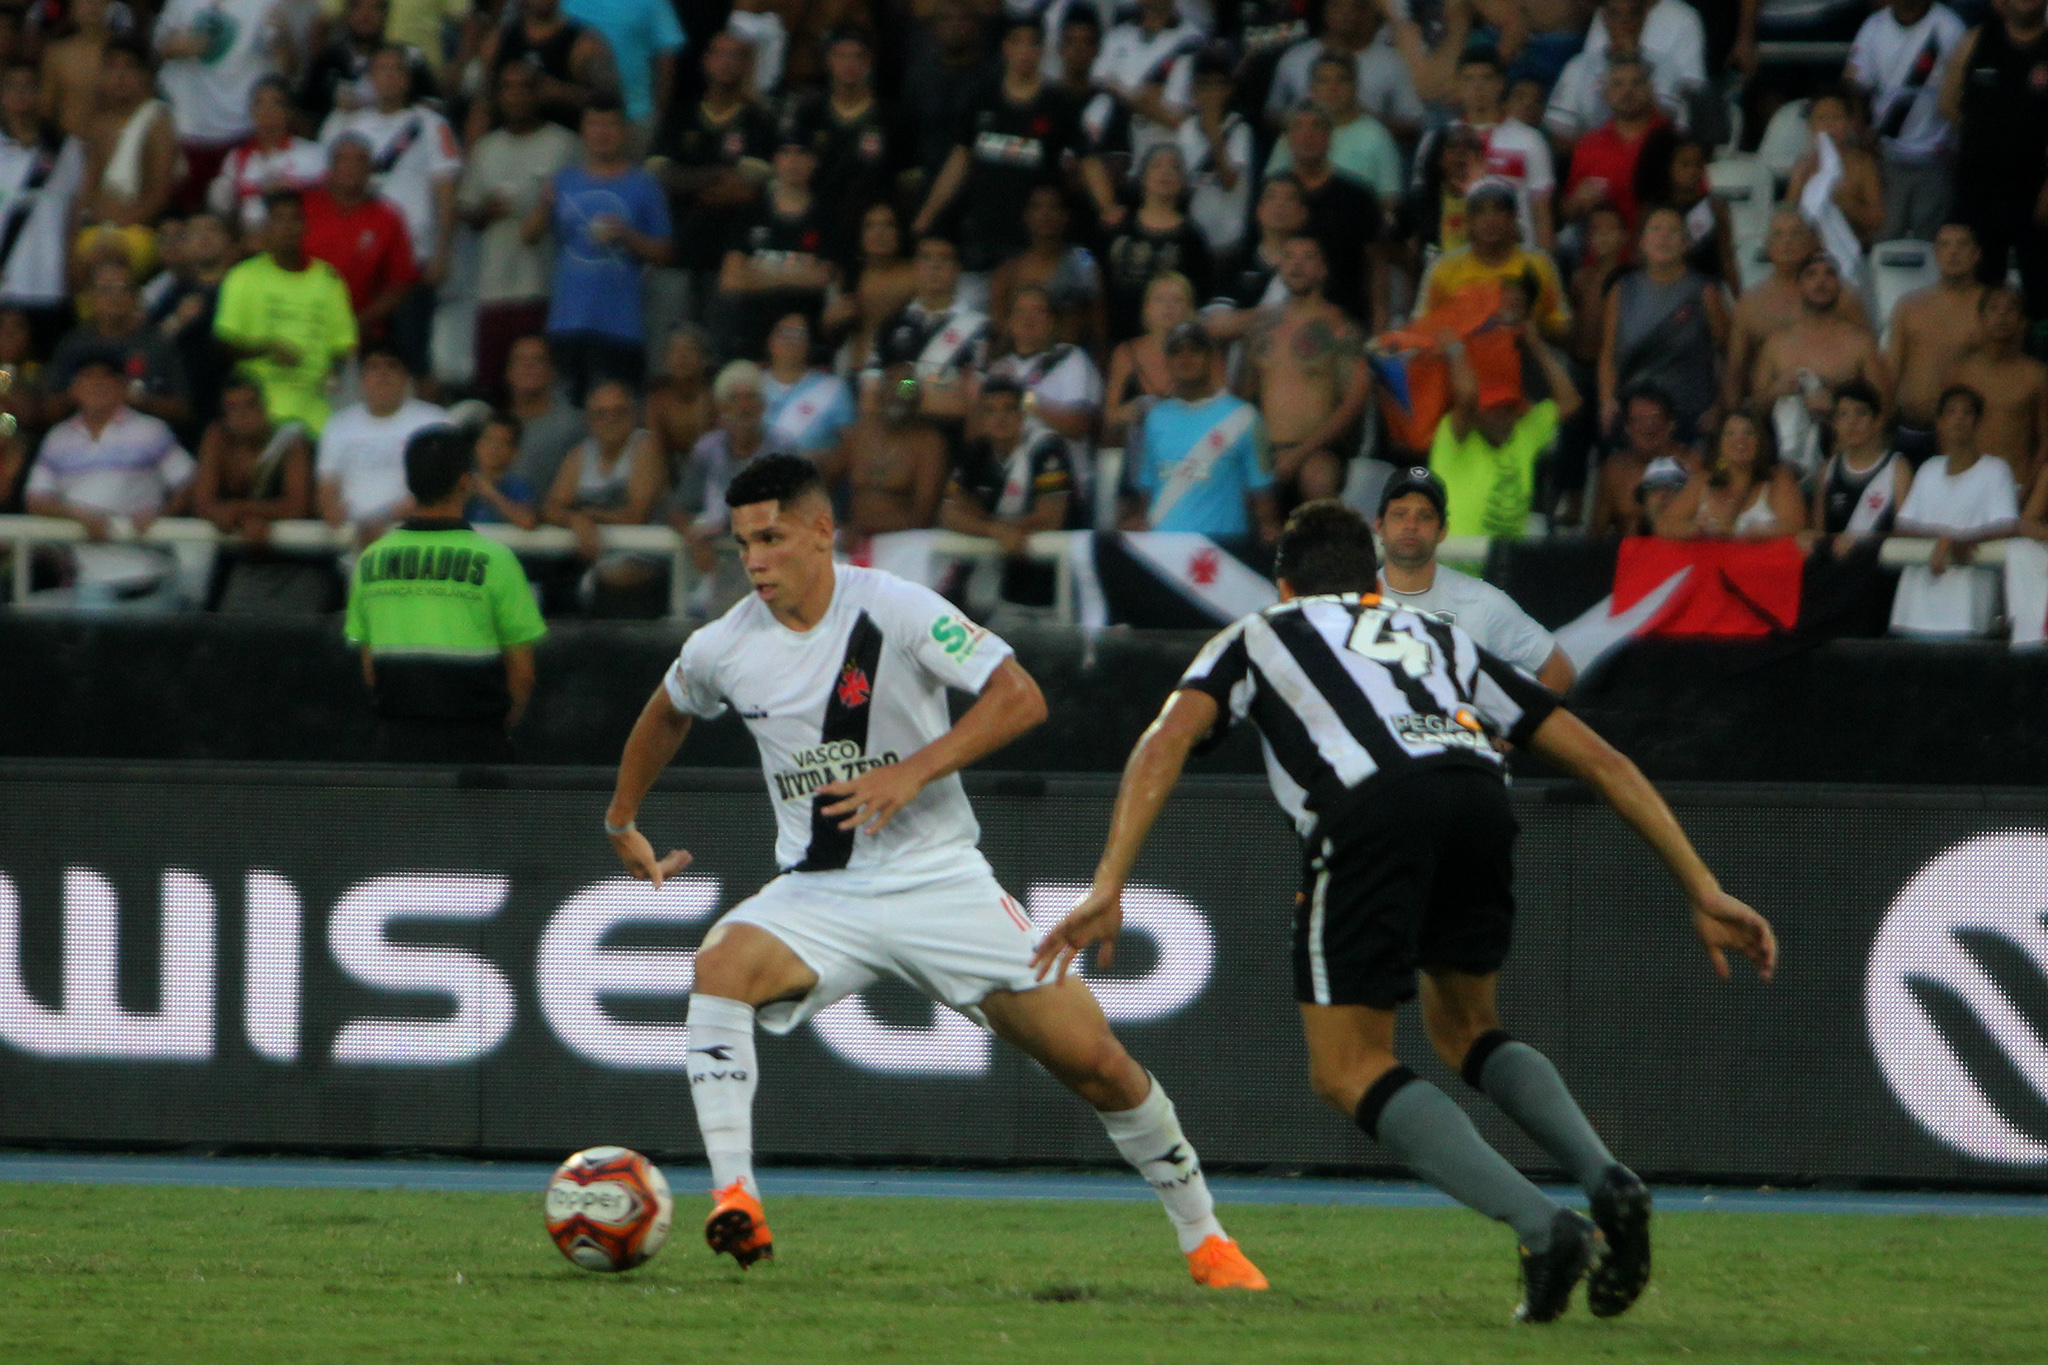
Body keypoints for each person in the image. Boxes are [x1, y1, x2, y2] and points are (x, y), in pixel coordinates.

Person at [1039, 497, 1776, 1321]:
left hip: (1370, 808)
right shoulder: (1438, 635)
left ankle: (1545, 1229)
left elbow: (1166, 738)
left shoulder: (1259, 633)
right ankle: (1609, 1179)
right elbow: (1603, 761)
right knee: (1466, 1028)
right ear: (1374, 582)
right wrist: (1701, 884)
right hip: (1479, 798)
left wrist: (1108, 881)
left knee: (1347, 1067)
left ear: (1284, 586)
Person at [601, 451, 1269, 1288]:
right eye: (742, 544)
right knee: (720, 965)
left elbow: (1021, 695)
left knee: (1097, 1062)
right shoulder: (723, 644)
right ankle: (736, 1196)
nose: (756, 561)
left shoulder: (896, 607)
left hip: (938, 879)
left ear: (821, 530)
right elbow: (668, 710)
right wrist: (621, 818)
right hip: (819, 891)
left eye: (771, 538)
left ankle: (1207, 1238)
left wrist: (912, 771)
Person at [345, 425, 546, 764]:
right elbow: (523, 674)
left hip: (395, 747)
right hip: (477, 748)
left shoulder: (370, 561)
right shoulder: (497, 560)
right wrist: (497, 731)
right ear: (466, 482)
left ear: (410, 482)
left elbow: (370, 670)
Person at [915, 19, 1116, 279]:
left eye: (1032, 44)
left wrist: (1107, 207)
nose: (1025, 52)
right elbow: (960, 159)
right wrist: (929, 212)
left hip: (1033, 240)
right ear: (1005, 48)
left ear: (1042, 51)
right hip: (984, 233)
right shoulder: (982, 97)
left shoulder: (1058, 104)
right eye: (1018, 43)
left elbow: (1087, 160)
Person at [320, 44, 463, 372]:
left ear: (408, 79)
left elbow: (445, 189)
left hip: (414, 257)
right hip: (357, 259)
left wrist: (443, 252)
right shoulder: (346, 125)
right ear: (370, 78)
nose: (388, 77)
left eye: (396, 70)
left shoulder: (431, 124)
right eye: (381, 70)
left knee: (410, 354)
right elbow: (327, 188)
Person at [1374, 465, 1574, 690]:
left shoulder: (1479, 601)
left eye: (1425, 516)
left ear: (1443, 530)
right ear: (1379, 525)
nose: (1411, 525)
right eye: (1400, 514)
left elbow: (1558, 670)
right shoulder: (1353, 597)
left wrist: (1517, 715)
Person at [530, 98, 672, 402]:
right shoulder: (563, 180)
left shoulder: (643, 184)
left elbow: (664, 253)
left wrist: (627, 236)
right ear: (583, 130)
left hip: (621, 326)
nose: (602, 133)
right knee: (567, 409)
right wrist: (544, 203)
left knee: (618, 408)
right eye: (594, 124)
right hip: (567, 322)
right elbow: (529, 236)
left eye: (610, 125)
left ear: (624, 132)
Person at [23, 351, 197, 588]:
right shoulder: (57, 438)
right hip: (84, 581)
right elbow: (36, 499)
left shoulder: (151, 431)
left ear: (123, 387)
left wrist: (162, 514)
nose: (97, 384)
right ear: (74, 389)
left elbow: (190, 483)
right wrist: (83, 517)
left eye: (107, 376)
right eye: (87, 377)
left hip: (150, 575)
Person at [460, 61, 580, 400]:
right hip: (494, 288)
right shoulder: (486, 148)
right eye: (508, 88)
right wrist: (485, 211)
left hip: (543, 288)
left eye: (525, 87)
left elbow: (584, 205)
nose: (516, 96)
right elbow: (468, 210)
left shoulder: (564, 144)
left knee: (541, 388)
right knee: (492, 388)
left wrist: (549, 209)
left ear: (539, 92)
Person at [651, 30, 775, 322]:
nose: (726, 63)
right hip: (678, 254)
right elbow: (657, 178)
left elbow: (747, 189)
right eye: (720, 54)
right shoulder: (680, 115)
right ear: (706, 61)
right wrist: (717, 173)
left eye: (735, 56)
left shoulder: (758, 121)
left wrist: (685, 181)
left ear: (746, 65)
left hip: (731, 261)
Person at [1432, 300, 1582, 539]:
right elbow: (1468, 394)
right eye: (1492, 409)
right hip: (1456, 555)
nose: (1501, 417)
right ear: (1477, 413)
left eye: (1508, 408)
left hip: (1505, 558)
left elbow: (1571, 401)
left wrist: (1536, 345)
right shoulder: (1455, 437)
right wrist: (1455, 349)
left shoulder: (1523, 433)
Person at [1238, 234, 1369, 507]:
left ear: (1323, 269)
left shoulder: (1340, 327)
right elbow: (1244, 397)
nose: (1296, 265)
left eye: (1307, 257)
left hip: (1318, 450)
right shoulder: (1260, 326)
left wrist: (1299, 454)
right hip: (1266, 449)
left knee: (1317, 479)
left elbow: (1354, 402)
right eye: (1289, 257)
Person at [213, 190, 358, 433]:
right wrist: (266, 348)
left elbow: (343, 347)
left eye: (294, 219)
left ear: (305, 227)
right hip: (258, 413)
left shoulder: (328, 280)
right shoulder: (242, 277)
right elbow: (224, 344)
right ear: (266, 228)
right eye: (279, 219)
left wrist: (332, 375)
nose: (287, 227)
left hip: (315, 411)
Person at [1121, 321, 1277, 542]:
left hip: (1220, 552)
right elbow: (1147, 494)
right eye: (1176, 352)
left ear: (1210, 357)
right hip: (1164, 550)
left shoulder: (1245, 417)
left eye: (1194, 350)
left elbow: (1263, 498)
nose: (1185, 358)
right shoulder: (1155, 418)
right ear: (1167, 361)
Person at [1890, 384, 2020, 637]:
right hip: (1915, 609)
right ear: (1939, 422)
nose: (1958, 418)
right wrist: (1944, 539)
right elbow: (1903, 526)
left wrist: (1955, 542)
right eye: (1951, 411)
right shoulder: (1928, 469)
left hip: (1967, 611)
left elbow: (2006, 527)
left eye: (1967, 413)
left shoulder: (1996, 471)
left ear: (1978, 423)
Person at [1943, 0, 2048, 307]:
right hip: (1978, 190)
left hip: (2035, 194)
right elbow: (1948, 103)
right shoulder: (1976, 41)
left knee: (2041, 290)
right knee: (1978, 289)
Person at [1749, 253, 1891, 477]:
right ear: (1799, 286)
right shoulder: (1775, 344)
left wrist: (1836, 406)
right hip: (1783, 465)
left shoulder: (1859, 343)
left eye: (1829, 274)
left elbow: (1883, 407)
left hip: (1844, 459)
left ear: (1840, 286)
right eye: (1811, 275)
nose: (1821, 281)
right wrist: (1777, 391)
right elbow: (1755, 409)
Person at [1599, 205, 1728, 442]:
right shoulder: (1622, 289)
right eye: (1656, 229)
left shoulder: (1704, 291)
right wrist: (1607, 401)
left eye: (1673, 231)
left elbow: (1729, 355)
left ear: (1686, 243)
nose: (1664, 237)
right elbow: (1608, 356)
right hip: (1634, 416)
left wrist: (1718, 408)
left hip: (1689, 416)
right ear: (1642, 242)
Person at [942, 377, 1074, 606]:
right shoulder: (977, 451)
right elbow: (948, 513)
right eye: (990, 411)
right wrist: (995, 530)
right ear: (981, 417)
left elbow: (1050, 519)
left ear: (1023, 414)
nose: (1000, 418)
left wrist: (982, 521)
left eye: (1009, 409)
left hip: (1051, 567)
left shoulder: (1046, 448)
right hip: (999, 561)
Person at [154, 0, 292, 211]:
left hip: (241, 128)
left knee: (236, 211)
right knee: (182, 210)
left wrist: (284, 40)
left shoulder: (265, 4)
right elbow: (156, 47)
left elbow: (287, 66)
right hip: (187, 127)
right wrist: (176, 45)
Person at [1848, 0, 1966, 244]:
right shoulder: (1874, 27)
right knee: (1885, 238)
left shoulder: (1950, 27)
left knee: (1930, 242)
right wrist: (1863, 136)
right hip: (1887, 154)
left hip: (1937, 157)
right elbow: (1855, 88)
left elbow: (1963, 92)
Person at [784, 29, 901, 268]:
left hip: (870, 231)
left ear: (869, 61)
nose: (849, 64)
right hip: (819, 223)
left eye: (858, 56)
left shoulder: (890, 116)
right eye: (841, 56)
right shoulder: (810, 113)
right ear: (828, 60)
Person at [543, 377, 665, 607]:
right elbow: (550, 508)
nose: (610, 420)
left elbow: (636, 516)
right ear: (589, 419)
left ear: (633, 415)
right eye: (601, 413)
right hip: (589, 561)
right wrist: (574, 520)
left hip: (640, 560)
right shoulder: (580, 454)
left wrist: (587, 516)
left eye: (619, 412)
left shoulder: (645, 447)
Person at [1727, 209, 1868, 408]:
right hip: (1770, 409)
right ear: (1767, 245)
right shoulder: (1751, 303)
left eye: (1796, 233)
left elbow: (1867, 361)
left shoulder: (1843, 297)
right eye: (1778, 234)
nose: (1787, 241)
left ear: (1814, 241)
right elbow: (1735, 372)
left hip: (1836, 410)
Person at [317, 343, 450, 543]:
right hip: (350, 538)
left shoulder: (435, 422)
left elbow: (440, 488)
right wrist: (331, 510)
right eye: (374, 367)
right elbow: (327, 483)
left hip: (415, 538)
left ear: (406, 377)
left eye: (392, 366)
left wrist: (383, 518)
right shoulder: (339, 424)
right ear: (362, 380)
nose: (383, 374)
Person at [718, 134, 835, 360]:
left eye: (801, 153)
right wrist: (797, 274)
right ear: (775, 159)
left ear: (814, 161)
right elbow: (730, 280)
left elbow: (823, 278)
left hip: (809, 346)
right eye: (785, 152)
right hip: (752, 342)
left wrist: (760, 272)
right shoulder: (751, 213)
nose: (792, 160)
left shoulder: (828, 218)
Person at [1275, 103, 1383, 328]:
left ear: (1329, 137)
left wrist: (1380, 319)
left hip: (1348, 321)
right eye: (1299, 127)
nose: (1307, 136)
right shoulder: (1273, 194)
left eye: (1316, 127)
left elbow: (1376, 264)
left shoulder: (1357, 196)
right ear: (1287, 138)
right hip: (1284, 321)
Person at [303, 136, 419, 345]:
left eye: (359, 160)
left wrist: (358, 323)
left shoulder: (387, 218)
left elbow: (400, 283)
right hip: (301, 325)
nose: (350, 167)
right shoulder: (303, 208)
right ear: (330, 167)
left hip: (362, 334)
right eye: (342, 160)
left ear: (370, 169)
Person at [1420, 181, 1569, 344]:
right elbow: (1422, 327)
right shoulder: (1443, 268)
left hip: (1527, 350)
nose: (1490, 219)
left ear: (1512, 219)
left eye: (1498, 211)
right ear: (1469, 222)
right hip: (1463, 353)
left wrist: (1528, 325)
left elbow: (1563, 326)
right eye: (1480, 212)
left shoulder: (1539, 264)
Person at [46, 261, 190, 429]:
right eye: (105, 290)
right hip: (83, 436)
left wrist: (138, 400)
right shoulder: (74, 344)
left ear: (136, 296)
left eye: (123, 289)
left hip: (143, 436)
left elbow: (184, 410)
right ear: (90, 296)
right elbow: (48, 409)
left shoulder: (158, 344)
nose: (114, 298)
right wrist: (82, 394)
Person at [865, 235, 989, 429]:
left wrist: (904, 393)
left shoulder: (980, 328)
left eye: (944, 260)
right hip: (897, 435)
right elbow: (870, 400)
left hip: (950, 436)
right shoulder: (889, 325)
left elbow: (972, 403)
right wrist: (935, 390)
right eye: (926, 258)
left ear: (957, 268)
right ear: (915, 266)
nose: (934, 267)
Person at [76, 37, 177, 269]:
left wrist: (123, 227)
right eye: (112, 67)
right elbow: (88, 185)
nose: (120, 77)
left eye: (129, 68)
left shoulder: (157, 120)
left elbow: (160, 193)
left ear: (145, 75)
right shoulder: (98, 124)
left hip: (138, 233)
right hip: (95, 229)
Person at [983, 284, 1104, 479]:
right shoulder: (998, 370)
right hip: (1009, 479)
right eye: (1020, 311)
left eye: (1038, 311)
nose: (1028, 318)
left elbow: (1078, 426)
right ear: (1009, 322)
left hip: (1062, 478)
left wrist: (1026, 400)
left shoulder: (1071, 359)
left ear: (1052, 322)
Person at [0, 61, 87, 331]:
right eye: (12, 87)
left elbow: (76, 215)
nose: (21, 94)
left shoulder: (68, 150)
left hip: (50, 285)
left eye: (30, 86)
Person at [1887, 222, 1983, 463]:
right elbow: (1891, 372)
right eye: (1945, 245)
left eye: (1962, 245)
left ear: (1976, 254)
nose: (1953, 252)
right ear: (1936, 254)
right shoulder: (1909, 307)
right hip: (1911, 429)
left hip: (1965, 433)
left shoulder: (1989, 309)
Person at [1265, 0, 1423, 141]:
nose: (1347, 14)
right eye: (1337, 6)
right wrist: (1308, 122)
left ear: (1371, 12)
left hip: (1367, 154)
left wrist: (1362, 122)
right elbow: (1270, 117)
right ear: (1325, 11)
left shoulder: (1392, 62)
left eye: (1357, 6)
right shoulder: (1294, 59)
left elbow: (1413, 124)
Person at [1102, 145, 1214, 343]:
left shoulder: (1192, 238)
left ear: (1183, 181)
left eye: (1174, 167)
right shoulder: (1118, 225)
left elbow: (1198, 296)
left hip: (1169, 341)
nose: (1165, 172)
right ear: (1143, 177)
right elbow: (1100, 280)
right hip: (1114, 333)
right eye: (1157, 166)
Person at [1942, 284, 2048, 492]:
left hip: (2017, 484)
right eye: (1994, 308)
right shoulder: (1960, 373)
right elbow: (1945, 434)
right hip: (1967, 482)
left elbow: (2046, 440)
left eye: (2010, 309)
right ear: (1980, 319)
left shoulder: (2037, 376)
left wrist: (2030, 488)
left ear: (2022, 321)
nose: (2002, 316)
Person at [986, 185, 1107, 361]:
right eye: (1037, 207)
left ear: (1066, 216)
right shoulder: (1007, 271)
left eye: (1054, 207)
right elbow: (998, 328)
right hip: (1018, 362)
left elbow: (1098, 323)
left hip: (1067, 361)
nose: (1045, 213)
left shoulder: (1082, 260)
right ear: (1026, 216)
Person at [1265, 52, 1401, 205]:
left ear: (1355, 87)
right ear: (1312, 88)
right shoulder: (1292, 135)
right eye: (1323, 81)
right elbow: (1270, 190)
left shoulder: (1377, 136)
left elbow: (1389, 199)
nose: (1332, 88)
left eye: (1342, 80)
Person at [1652, 408, 1807, 541]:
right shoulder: (1703, 480)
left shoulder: (1778, 478)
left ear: (1761, 441)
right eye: (1730, 434)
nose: (1740, 440)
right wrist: (1695, 529)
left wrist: (1748, 533)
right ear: (1719, 443)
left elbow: (1794, 527)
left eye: (1748, 433)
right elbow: (1664, 525)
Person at [1089, 0, 1203, 173]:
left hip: (1164, 151)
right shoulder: (1118, 35)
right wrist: (1136, 99)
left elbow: (1177, 114)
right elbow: (1098, 83)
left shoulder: (1191, 40)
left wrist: (1123, 94)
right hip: (1110, 146)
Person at [471, 0, 614, 137]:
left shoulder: (585, 45)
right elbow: (482, 105)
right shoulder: (498, 41)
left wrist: (562, 93)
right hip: (509, 142)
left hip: (565, 143)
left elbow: (608, 103)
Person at [1558, 55, 1664, 235]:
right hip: (1602, 250)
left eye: (1636, 83)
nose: (1627, 91)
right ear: (1605, 93)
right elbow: (1568, 212)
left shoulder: (1671, 139)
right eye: (1618, 84)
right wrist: (1578, 203)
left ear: (1650, 89)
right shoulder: (1588, 147)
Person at [208, 76, 325, 236]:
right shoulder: (237, 158)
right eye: (260, 104)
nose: (267, 111)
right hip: (252, 239)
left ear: (289, 111)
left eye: (275, 103)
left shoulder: (312, 154)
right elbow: (223, 208)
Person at [840, 365, 949, 536]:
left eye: (905, 388)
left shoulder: (929, 443)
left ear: (917, 397)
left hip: (903, 540)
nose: (897, 395)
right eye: (890, 386)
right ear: (880, 393)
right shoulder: (860, 433)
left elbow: (924, 515)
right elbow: (823, 479)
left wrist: (866, 526)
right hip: (853, 536)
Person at [1814, 380, 1913, 558]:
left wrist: (1863, 544)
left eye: (1860, 413)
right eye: (1843, 414)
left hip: (1877, 567)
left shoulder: (1897, 468)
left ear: (1877, 421)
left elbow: (1904, 534)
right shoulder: (1828, 470)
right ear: (1835, 423)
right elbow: (1819, 533)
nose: (1852, 422)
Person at [297, 0, 434, 129]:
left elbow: (431, 107)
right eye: (358, 7)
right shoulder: (327, 62)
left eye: (374, 8)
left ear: (386, 14)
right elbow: (305, 111)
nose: (366, 15)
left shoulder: (408, 59)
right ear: (347, 14)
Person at [1784, 86, 1885, 252]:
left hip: (1853, 248)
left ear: (1849, 123)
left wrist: (1841, 201)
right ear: (1811, 125)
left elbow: (1876, 220)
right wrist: (1798, 181)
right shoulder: (1804, 165)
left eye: (1836, 117)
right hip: (1810, 250)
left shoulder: (1863, 164)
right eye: (1821, 118)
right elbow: (1788, 214)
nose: (1829, 125)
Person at [1631, 131, 1739, 286]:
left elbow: (1727, 258)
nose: (1692, 171)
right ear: (1669, 166)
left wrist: (1737, 294)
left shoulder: (1715, 207)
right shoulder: (1652, 209)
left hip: (1706, 290)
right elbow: (1640, 257)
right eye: (1685, 164)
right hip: (1664, 289)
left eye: (1698, 165)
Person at [823, 202, 917, 376]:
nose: (879, 233)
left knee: (906, 389)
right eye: (870, 226)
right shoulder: (848, 277)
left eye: (888, 225)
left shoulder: (916, 276)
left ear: (900, 232)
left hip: (904, 378)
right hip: (857, 372)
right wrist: (832, 320)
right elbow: (830, 334)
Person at [1178, 51, 1254, 263]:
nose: (1211, 93)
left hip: (1229, 240)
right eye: (1204, 86)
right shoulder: (1186, 129)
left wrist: (1214, 134)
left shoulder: (1240, 129)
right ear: (1194, 91)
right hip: (1193, 236)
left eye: (1218, 85)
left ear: (1229, 89)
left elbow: (1229, 180)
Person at [563, 0, 683, 131]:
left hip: (637, 114)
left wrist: (659, 113)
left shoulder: (654, 3)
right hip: (581, 117)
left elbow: (667, 55)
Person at [1588, 386, 1692, 538]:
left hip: (1679, 550)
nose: (1648, 426)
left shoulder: (1692, 465)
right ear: (1627, 427)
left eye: (1656, 418)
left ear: (1670, 424)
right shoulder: (1614, 471)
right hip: (1630, 549)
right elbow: (1596, 534)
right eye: (1638, 419)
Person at [760, 313, 855, 462]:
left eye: (799, 333)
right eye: (783, 332)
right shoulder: (750, 384)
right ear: (769, 340)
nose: (790, 340)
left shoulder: (833, 389)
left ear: (809, 343)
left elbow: (851, 446)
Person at [504, 334, 588, 493]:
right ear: (508, 371)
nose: (528, 367)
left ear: (552, 371)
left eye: (537, 360)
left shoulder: (574, 425)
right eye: (520, 360)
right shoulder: (492, 424)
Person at [646, 326, 714, 485]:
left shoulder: (716, 399)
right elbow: (654, 453)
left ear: (704, 359)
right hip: (670, 479)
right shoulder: (658, 402)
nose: (682, 357)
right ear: (665, 360)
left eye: (689, 350)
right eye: (675, 350)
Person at [38, 0, 113, 139]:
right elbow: (46, 107)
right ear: (73, 7)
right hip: (68, 139)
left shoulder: (121, 53)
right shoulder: (57, 53)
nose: (93, 6)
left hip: (113, 140)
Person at [465, 411, 540, 530]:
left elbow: (527, 521)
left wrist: (490, 493)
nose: (494, 448)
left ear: (514, 451)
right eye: (488, 440)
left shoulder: (519, 486)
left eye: (503, 443)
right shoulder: (462, 481)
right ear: (477, 444)